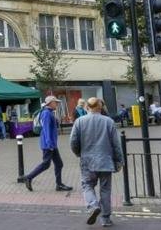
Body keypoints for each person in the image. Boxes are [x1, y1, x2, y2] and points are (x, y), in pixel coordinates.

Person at [70, 97, 124, 227]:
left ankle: (93, 205)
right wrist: (119, 161)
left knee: (87, 185)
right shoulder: (109, 122)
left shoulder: (79, 122)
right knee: (105, 190)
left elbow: (73, 142)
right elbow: (116, 144)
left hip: (87, 161)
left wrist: (79, 153)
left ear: (87, 107)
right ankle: (106, 219)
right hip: (105, 161)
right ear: (100, 108)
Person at [19, 95, 72, 192]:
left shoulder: (49, 112)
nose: (57, 104)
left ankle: (59, 185)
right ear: (50, 103)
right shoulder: (47, 113)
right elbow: (46, 129)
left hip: (51, 144)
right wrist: (49, 144)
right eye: (55, 102)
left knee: (59, 164)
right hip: (49, 144)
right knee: (46, 164)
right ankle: (29, 177)